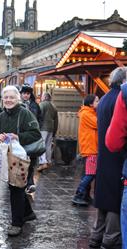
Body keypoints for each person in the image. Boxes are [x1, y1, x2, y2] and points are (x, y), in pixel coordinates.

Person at [0, 85, 41, 236]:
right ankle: (28, 213)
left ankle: (16, 223)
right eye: (5, 97)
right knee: (16, 186)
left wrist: (18, 137)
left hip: (23, 158)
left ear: (17, 98)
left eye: (11, 97)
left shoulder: (25, 114)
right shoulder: (2, 115)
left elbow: (35, 133)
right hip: (8, 157)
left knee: (16, 188)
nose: (8, 100)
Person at [89, 67, 126, 249]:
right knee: (114, 198)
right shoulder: (121, 98)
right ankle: (112, 237)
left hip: (104, 153)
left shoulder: (104, 98)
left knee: (103, 197)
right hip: (117, 155)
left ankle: (97, 235)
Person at [72, 94, 99, 206]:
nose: (99, 102)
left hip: (91, 147)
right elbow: (99, 123)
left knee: (88, 173)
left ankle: (85, 196)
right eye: (97, 101)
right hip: (90, 148)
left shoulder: (89, 112)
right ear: (91, 104)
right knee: (91, 174)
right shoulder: (87, 114)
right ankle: (78, 195)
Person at [20, 84, 41, 194]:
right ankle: (20, 182)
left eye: (28, 94)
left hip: (32, 136)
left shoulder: (35, 105)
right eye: (24, 93)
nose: (26, 96)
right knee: (20, 159)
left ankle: (30, 182)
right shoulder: (17, 105)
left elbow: (39, 118)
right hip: (20, 136)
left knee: (32, 159)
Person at [37, 92, 58, 173]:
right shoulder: (54, 106)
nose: (41, 98)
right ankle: (48, 161)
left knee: (41, 145)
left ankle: (43, 162)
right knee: (48, 146)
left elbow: (39, 115)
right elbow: (56, 121)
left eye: (42, 96)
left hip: (43, 128)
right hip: (51, 128)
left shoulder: (42, 104)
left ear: (45, 97)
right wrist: (54, 131)